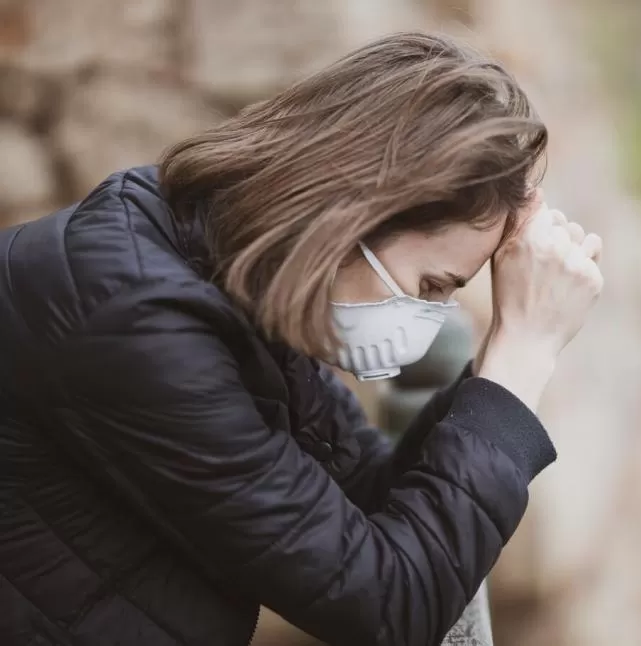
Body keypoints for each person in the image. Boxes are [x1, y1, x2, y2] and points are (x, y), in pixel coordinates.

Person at [0, 31, 603, 646]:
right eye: (430, 285)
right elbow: (387, 606)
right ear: (356, 209)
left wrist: (495, 365)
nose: (427, 318)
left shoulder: (221, 273)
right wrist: (523, 355)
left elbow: (371, 504)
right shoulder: (135, 318)